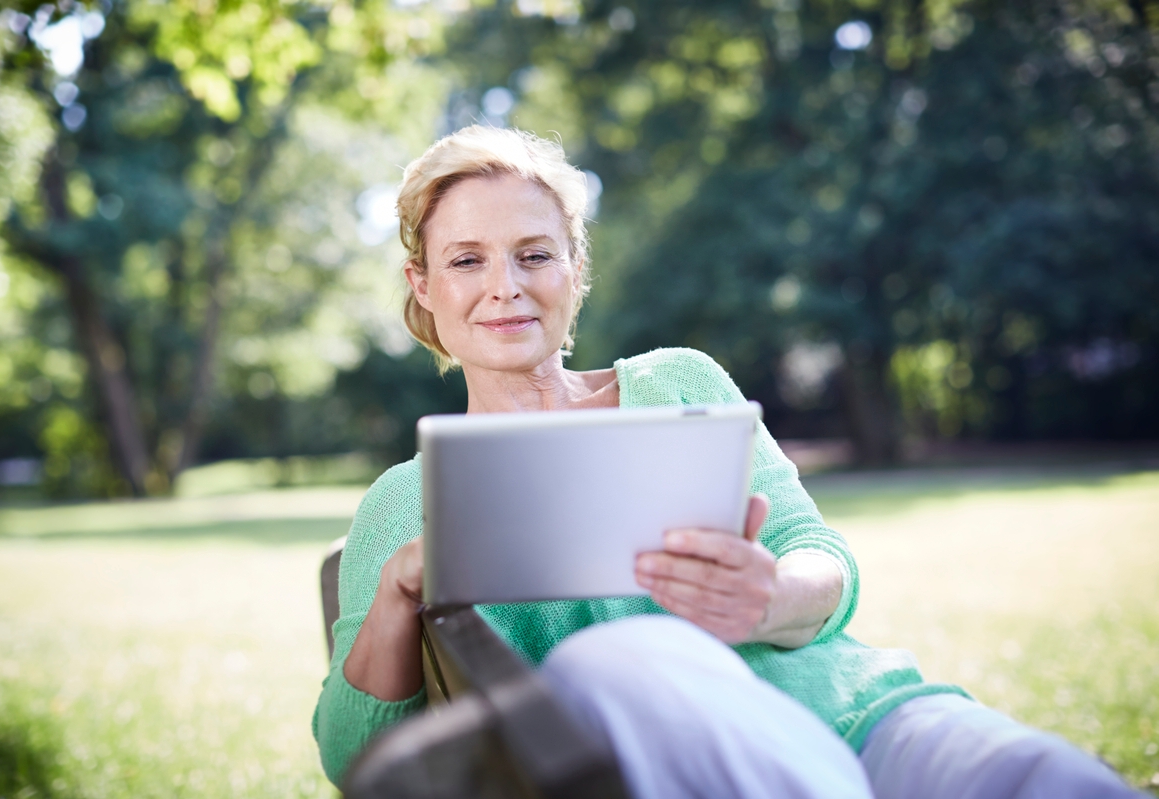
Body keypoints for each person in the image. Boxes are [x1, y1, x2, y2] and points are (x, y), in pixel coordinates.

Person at [312, 125, 1144, 799]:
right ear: (423, 285)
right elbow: (356, 756)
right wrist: (394, 594)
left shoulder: (680, 382)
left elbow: (823, 563)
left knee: (1044, 777)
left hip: (853, 714)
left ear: (573, 268)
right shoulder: (403, 501)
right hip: (676, 775)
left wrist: (767, 595)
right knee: (613, 659)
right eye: (467, 260)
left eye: (535, 253)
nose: (507, 286)